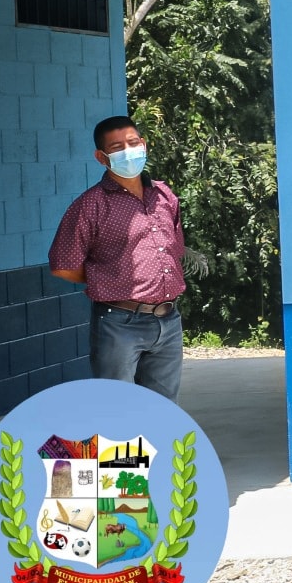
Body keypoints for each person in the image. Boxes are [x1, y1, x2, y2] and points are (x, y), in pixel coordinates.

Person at [48, 115, 188, 400]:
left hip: (169, 320)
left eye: (133, 142)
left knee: (164, 412)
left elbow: (175, 249)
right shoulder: (91, 205)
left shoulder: (164, 196)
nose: (128, 151)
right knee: (117, 411)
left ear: (144, 145)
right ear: (101, 157)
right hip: (119, 323)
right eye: (117, 147)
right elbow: (63, 266)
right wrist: (109, 277)